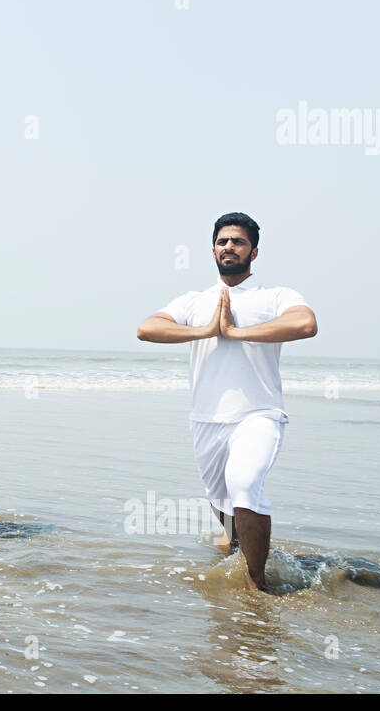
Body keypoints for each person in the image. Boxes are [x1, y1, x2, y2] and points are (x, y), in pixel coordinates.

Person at [136, 213, 317, 591]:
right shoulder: (195, 300)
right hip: (207, 419)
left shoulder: (275, 296)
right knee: (221, 500)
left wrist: (236, 331)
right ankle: (239, 551)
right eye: (222, 242)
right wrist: (206, 330)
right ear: (213, 249)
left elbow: (305, 324)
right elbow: (147, 328)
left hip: (259, 413)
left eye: (237, 241)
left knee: (245, 482)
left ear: (254, 251)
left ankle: (256, 584)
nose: (229, 247)